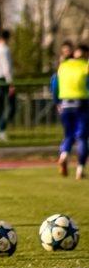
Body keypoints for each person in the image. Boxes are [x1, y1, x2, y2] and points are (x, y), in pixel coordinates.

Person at [52, 43, 89, 179]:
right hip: (82, 104)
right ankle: (80, 170)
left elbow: (55, 84)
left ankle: (63, 155)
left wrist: (57, 102)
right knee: (82, 138)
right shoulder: (85, 67)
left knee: (68, 135)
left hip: (65, 104)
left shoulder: (63, 66)